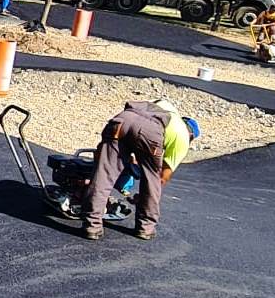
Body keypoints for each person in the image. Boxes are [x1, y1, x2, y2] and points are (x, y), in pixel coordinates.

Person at [81, 98, 199, 241]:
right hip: (151, 131)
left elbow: (138, 126)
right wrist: (143, 197)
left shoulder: (167, 107)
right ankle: (145, 228)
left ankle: (92, 226)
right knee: (152, 180)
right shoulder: (183, 138)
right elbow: (162, 177)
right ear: (191, 135)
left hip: (123, 119)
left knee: (104, 175)